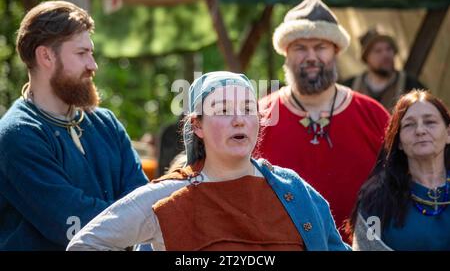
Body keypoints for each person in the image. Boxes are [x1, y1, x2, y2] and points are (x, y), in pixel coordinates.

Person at [67, 71, 350, 251]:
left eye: (248, 109)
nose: (239, 119)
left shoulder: (293, 190)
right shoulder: (168, 196)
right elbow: (86, 244)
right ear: (198, 126)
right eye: (223, 109)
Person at [0, 0, 148, 250]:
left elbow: (145, 204)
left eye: (91, 53)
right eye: (81, 54)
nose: (93, 65)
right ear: (46, 56)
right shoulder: (18, 135)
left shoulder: (106, 124)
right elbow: (74, 225)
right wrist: (136, 222)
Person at [256, 0, 390, 237]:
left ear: (336, 51)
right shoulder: (259, 117)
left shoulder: (373, 115)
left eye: (320, 47)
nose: (311, 57)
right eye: (300, 48)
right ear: (286, 52)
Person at [346, 90, 450, 251]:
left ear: (448, 134)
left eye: (430, 122)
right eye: (409, 125)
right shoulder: (375, 200)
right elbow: (367, 248)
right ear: (399, 141)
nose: (420, 130)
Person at [343, 28, 426, 111]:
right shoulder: (350, 87)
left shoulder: (411, 85)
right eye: (378, 51)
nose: (385, 55)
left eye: (389, 49)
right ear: (366, 58)